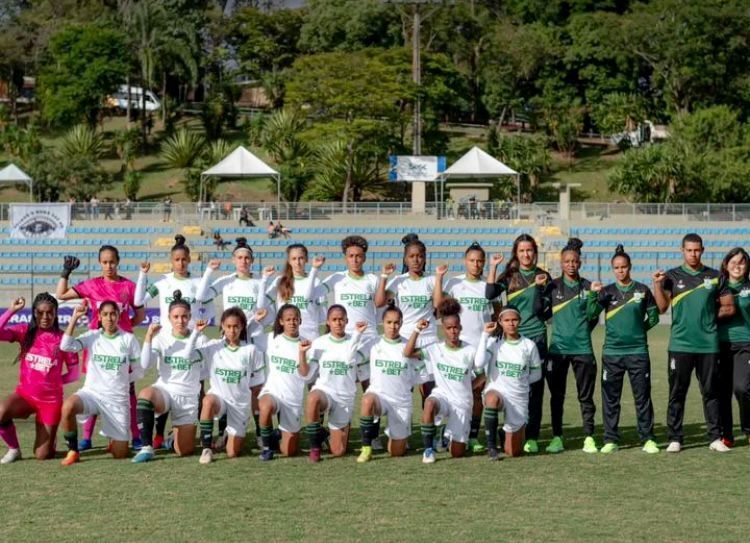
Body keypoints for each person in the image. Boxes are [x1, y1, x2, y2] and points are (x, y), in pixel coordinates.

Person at [56, 245, 145, 450]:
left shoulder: (129, 287)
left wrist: (124, 330)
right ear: (99, 263)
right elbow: (61, 294)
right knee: (95, 387)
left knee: (128, 391)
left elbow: (140, 315)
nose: (109, 266)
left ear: (118, 261)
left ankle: (135, 435)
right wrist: (66, 272)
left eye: (112, 261)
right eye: (104, 262)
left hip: (122, 348)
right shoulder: (91, 285)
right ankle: (87, 438)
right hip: (97, 345)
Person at [652, 233, 735, 453]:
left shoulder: (716, 276)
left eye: (697, 250)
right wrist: (658, 285)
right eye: (689, 250)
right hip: (680, 345)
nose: (693, 254)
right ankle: (675, 437)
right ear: (682, 251)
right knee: (677, 392)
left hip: (708, 344)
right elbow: (661, 308)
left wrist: (707, 317)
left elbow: (728, 307)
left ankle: (715, 437)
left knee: (711, 391)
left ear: (702, 250)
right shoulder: (671, 276)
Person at [485, 233, 551, 454]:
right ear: (516, 253)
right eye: (521, 250)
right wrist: (493, 267)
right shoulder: (510, 276)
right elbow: (490, 293)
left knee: (535, 388)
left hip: (537, 336)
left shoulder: (543, 276)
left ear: (535, 252)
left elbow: (544, 311)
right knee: (509, 384)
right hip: (512, 338)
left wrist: (540, 288)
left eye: (529, 250)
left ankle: (531, 435)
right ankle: (507, 429)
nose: (526, 254)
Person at [590, 245, 660, 454]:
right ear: (613, 269)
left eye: (624, 267)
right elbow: (591, 313)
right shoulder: (607, 292)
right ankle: (611, 439)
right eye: (617, 268)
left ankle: (647, 438)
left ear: (630, 267)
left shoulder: (642, 290)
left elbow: (654, 317)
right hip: (612, 353)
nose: (621, 271)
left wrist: (639, 331)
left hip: (638, 352)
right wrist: (594, 296)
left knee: (642, 396)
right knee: (611, 398)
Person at [434, 241, 502, 452]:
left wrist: (493, 338)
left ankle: (472, 435)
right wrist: (439, 279)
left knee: (477, 391)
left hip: (480, 347)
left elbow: (497, 313)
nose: (476, 264)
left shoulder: (489, 287)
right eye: (472, 260)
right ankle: (446, 432)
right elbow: (438, 307)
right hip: (457, 347)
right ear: (465, 261)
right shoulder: (454, 284)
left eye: (479, 261)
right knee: (453, 391)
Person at [59, 300, 143, 465]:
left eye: (113, 314)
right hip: (92, 394)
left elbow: (139, 371)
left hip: (117, 399)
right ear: (99, 316)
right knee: (68, 407)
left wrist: (123, 381)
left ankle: (115, 443)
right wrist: (74, 318)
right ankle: (73, 451)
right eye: (105, 314)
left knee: (120, 454)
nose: (109, 318)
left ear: (119, 316)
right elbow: (66, 346)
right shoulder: (92, 336)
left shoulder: (129, 339)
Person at [131, 292, 212, 463]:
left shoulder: (201, 338)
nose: (180, 321)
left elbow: (206, 370)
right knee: (146, 395)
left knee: (183, 450)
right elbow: (145, 364)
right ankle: (147, 447)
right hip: (165, 392)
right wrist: (148, 337)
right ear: (169, 317)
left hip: (188, 398)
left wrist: (194, 382)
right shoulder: (162, 338)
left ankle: (170, 438)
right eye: (176, 317)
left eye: (184, 316)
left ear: (190, 317)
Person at [0, 295, 79, 464]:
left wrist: (53, 382)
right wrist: (12, 310)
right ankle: (14, 450)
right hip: (25, 396)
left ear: (56, 313)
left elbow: (74, 374)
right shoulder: (25, 332)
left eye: (49, 313)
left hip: (50, 402)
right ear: (35, 313)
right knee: (0, 412)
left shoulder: (64, 340)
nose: (45, 317)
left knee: (42, 455)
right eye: (41, 313)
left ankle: (50, 442)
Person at [186, 308, 266, 464]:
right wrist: (196, 332)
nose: (232, 330)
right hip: (219, 399)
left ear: (242, 326)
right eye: (228, 326)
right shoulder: (213, 347)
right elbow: (187, 357)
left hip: (239, 406)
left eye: (236, 326)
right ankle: (207, 448)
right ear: (222, 326)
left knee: (232, 453)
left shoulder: (251, 350)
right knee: (207, 401)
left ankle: (229, 433)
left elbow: (257, 386)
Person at [404, 299, 480, 463]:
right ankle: (428, 450)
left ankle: (446, 434)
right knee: (429, 403)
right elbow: (408, 353)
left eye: (456, 327)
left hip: (462, 402)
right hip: (442, 397)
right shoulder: (435, 348)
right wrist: (417, 329)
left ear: (460, 328)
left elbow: (483, 374)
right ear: (443, 329)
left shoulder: (470, 350)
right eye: (449, 328)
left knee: (457, 453)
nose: (453, 331)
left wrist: (471, 386)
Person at [542, 238, 599, 454]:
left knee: (585, 396)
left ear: (580, 262)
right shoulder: (553, 286)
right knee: (557, 396)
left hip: (583, 350)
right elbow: (541, 311)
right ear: (561, 263)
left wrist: (593, 295)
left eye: (574, 261)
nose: (571, 265)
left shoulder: (588, 286)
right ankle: (557, 437)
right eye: (567, 261)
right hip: (557, 350)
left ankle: (589, 437)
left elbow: (593, 315)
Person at [357, 303, 429, 463]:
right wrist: (357, 335)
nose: (393, 326)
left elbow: (422, 376)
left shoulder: (408, 347)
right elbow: (353, 358)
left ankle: (395, 434)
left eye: (397, 322)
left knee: (396, 452)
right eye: (389, 322)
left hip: (401, 402)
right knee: (367, 399)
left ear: (402, 324)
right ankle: (366, 447)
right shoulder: (373, 344)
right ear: (383, 322)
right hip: (379, 398)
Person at [474, 306, 542, 460]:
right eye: (506, 320)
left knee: (513, 452)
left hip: (518, 396)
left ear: (520, 321)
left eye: (514, 320)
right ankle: (491, 447)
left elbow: (537, 374)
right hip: (497, 391)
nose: (511, 324)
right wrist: (485, 335)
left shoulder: (529, 345)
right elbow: (478, 363)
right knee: (491, 399)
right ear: (500, 322)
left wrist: (522, 381)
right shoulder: (494, 343)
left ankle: (503, 432)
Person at [304, 306, 367, 462]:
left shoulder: (355, 340)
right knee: (312, 398)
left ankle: (328, 433)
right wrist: (301, 354)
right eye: (334, 319)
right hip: (325, 391)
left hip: (344, 397)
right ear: (328, 321)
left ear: (346, 321)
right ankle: (315, 448)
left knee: (338, 451)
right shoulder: (319, 343)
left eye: (341, 319)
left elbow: (362, 373)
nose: (338, 323)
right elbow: (307, 375)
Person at [257, 304, 316, 461]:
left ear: (300, 321)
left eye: (295, 319)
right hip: (273, 392)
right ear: (281, 322)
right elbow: (246, 337)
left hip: (292, 399)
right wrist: (256, 321)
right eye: (288, 319)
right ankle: (268, 447)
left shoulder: (307, 344)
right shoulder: (271, 338)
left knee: (289, 451)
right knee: (264, 406)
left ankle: (276, 435)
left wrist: (302, 354)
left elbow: (305, 374)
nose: (292, 322)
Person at [383, 234, 437, 401]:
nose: (416, 260)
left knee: (429, 388)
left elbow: (439, 307)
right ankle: (401, 424)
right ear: (405, 259)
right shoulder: (398, 281)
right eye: (412, 256)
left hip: (428, 338)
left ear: (425, 258)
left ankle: (429, 425)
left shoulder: (433, 280)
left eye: (420, 256)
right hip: (405, 337)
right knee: (403, 385)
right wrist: (384, 277)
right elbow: (380, 301)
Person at [135, 235, 203, 335]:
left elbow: (209, 306)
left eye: (184, 259)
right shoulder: (162, 281)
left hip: (193, 337)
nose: (180, 263)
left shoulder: (199, 281)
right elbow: (138, 301)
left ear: (189, 259)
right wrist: (142, 274)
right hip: (167, 339)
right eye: (177, 259)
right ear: (171, 260)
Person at [718, 247, 750, 447]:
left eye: (742, 262)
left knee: (742, 388)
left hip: (746, 343)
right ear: (726, 264)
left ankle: (748, 428)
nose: (737, 266)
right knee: (722, 391)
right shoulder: (717, 287)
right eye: (734, 262)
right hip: (719, 344)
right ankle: (726, 435)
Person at [268, 244, 326, 341]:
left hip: (310, 336)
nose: (298, 262)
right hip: (286, 337)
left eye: (301, 258)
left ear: (306, 259)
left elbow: (324, 314)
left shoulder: (316, 282)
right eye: (294, 259)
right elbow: (265, 304)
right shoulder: (279, 281)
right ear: (289, 261)